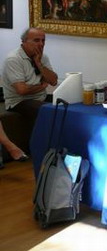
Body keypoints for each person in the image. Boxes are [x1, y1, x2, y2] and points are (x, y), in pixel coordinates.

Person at [1, 27, 58, 161]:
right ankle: (42, 150)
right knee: (47, 110)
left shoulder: (42, 57)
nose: (41, 44)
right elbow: (22, 90)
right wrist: (42, 86)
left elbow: (53, 81)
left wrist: (39, 64)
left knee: (64, 106)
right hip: (18, 101)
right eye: (36, 40)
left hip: (39, 97)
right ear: (24, 42)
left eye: (43, 41)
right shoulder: (13, 59)